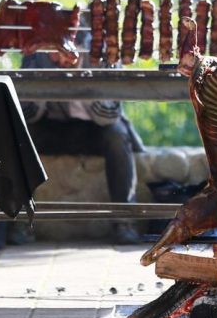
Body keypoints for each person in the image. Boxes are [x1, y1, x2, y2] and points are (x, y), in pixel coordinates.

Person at [12, 50, 146, 244]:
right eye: (55, 53)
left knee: (117, 135)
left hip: (96, 128)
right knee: (21, 135)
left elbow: (109, 115)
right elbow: (26, 113)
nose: (60, 58)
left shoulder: (105, 52)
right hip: (51, 126)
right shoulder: (37, 54)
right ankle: (20, 222)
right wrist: (46, 84)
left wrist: (83, 84)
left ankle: (125, 222)